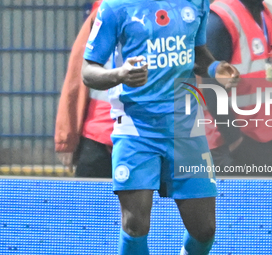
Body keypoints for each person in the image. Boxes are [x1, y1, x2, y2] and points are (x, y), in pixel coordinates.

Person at [82, 0, 239, 254]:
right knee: (135, 225)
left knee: (205, 230)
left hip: (186, 127)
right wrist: (119, 75)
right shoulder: (115, 7)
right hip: (136, 128)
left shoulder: (196, 3)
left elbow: (197, 53)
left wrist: (215, 68)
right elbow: (88, 71)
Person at [204, 0, 272, 176]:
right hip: (235, 143)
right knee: (238, 203)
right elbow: (210, 87)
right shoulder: (220, 18)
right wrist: (234, 140)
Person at [55, 0, 114, 178]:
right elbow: (76, 79)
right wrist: (66, 138)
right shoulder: (103, 14)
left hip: (153, 140)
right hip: (100, 138)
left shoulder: (181, 15)